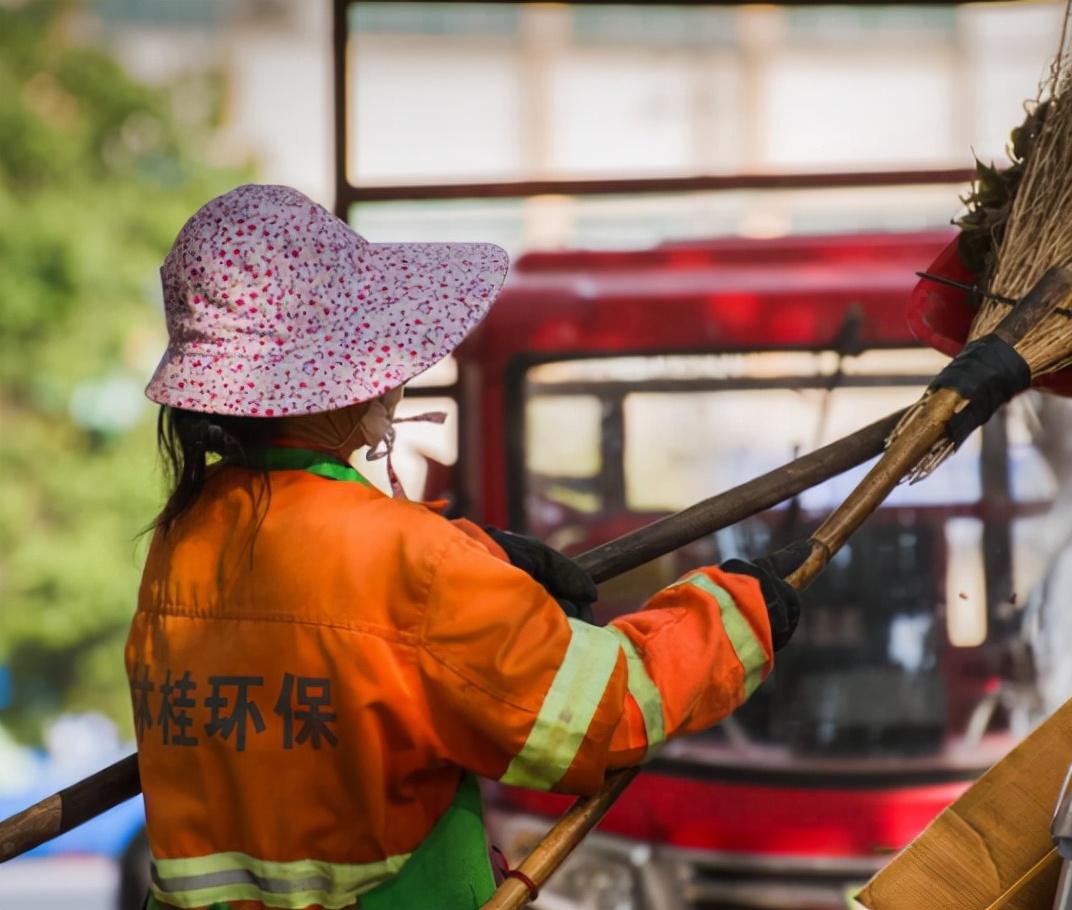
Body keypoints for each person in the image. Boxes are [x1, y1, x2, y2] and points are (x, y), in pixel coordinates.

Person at [126, 184, 809, 910]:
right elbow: (607, 713)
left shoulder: (183, 540)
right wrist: (737, 612)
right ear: (337, 381)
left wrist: (485, 557)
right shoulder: (414, 567)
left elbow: (329, 602)